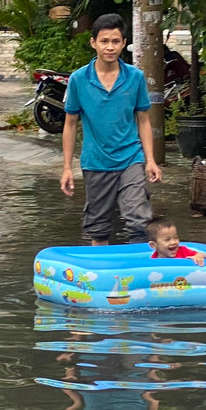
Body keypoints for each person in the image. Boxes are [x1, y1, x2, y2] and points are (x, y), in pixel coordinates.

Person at [60, 13, 163, 245]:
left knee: (139, 220)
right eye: (104, 41)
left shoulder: (135, 77)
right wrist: (66, 168)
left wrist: (150, 160)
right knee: (98, 227)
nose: (110, 47)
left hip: (130, 158)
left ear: (124, 43)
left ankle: (139, 264)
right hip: (95, 162)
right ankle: (100, 265)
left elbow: (143, 120)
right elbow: (70, 124)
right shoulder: (79, 79)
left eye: (116, 41)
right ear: (93, 43)